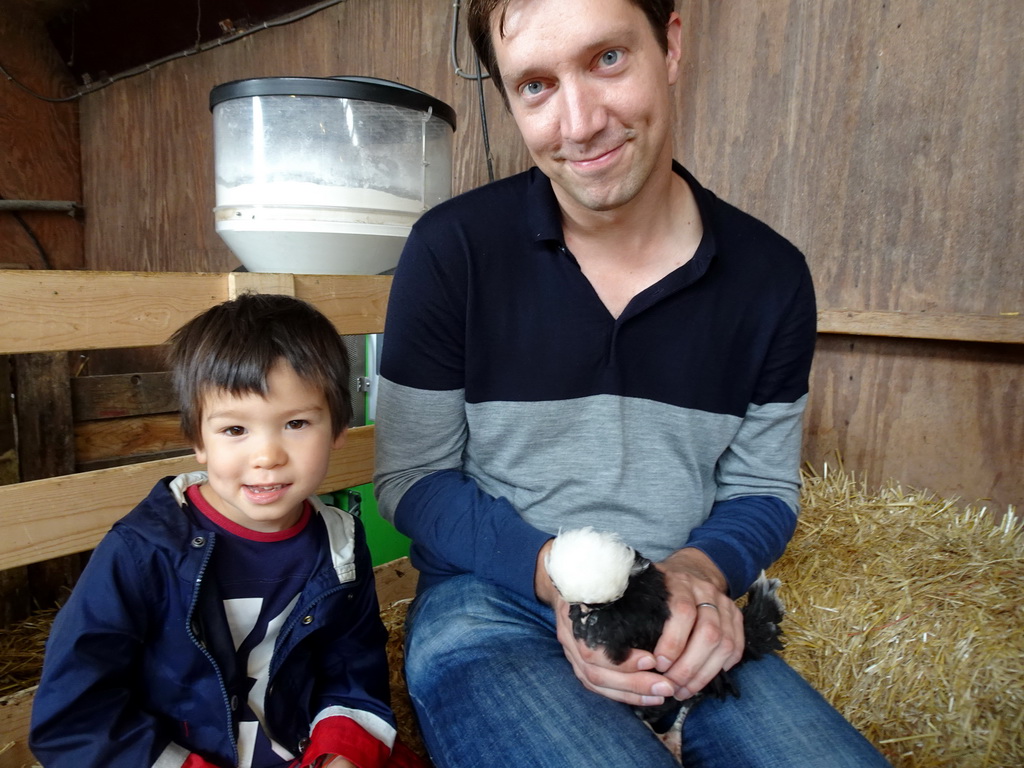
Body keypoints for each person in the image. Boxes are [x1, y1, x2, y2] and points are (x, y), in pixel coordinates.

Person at [373, 0, 892, 766]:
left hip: (676, 604)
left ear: (671, 45)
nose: (579, 122)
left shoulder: (771, 278)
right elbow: (411, 476)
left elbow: (763, 489)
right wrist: (554, 576)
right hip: (490, 600)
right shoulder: (452, 252)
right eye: (536, 86)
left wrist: (695, 574)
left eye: (607, 59)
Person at [31, 293, 424, 768]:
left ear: (339, 427)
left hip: (304, 750)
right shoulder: (142, 552)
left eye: (296, 423)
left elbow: (351, 661)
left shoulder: (339, 542)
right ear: (198, 438)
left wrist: (341, 749)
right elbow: (74, 716)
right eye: (235, 430)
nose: (267, 456)